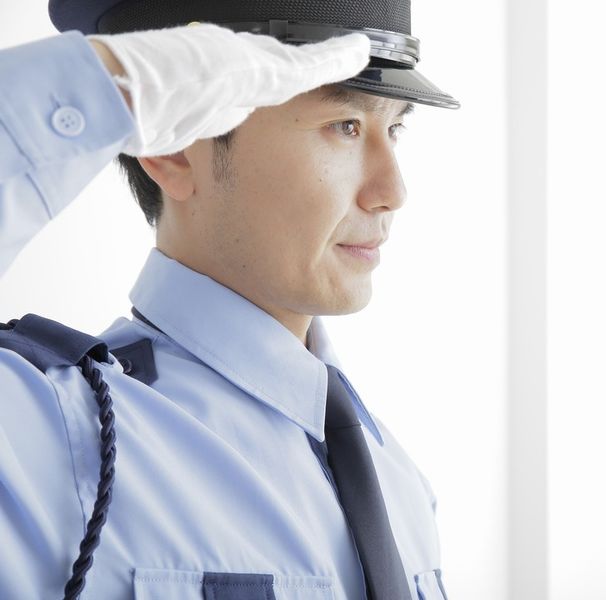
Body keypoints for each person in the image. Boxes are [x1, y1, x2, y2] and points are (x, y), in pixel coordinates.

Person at [0, 1, 458, 598]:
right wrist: (106, 81)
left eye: (394, 128)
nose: (392, 191)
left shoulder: (401, 485)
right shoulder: (52, 438)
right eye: (344, 125)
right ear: (173, 146)